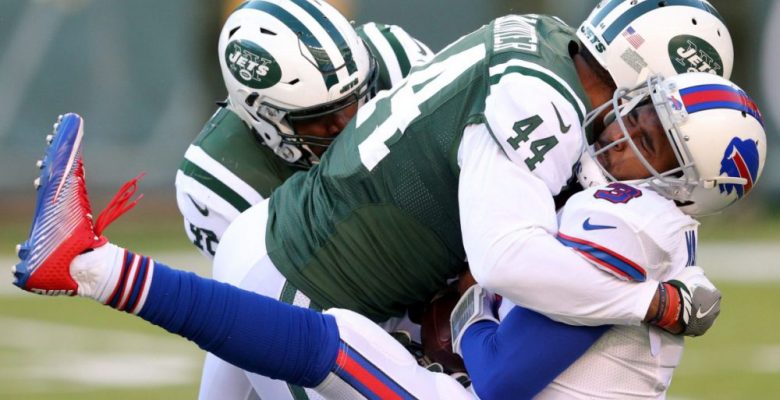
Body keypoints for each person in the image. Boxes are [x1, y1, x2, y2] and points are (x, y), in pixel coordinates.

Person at [16, 0, 738, 396]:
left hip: (284, 244)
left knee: (332, 348)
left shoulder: (537, 39)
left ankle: (94, 265)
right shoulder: (556, 114)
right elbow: (506, 266)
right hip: (314, 279)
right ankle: (90, 265)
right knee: (362, 358)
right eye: (650, 114)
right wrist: (655, 301)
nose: (632, 134)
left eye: (660, 136)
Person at [451, 71, 767, 398]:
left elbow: (500, 378)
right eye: (633, 116)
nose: (618, 135)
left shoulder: (633, 219)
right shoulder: (661, 223)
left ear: (683, 187)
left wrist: (467, 312)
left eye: (645, 143)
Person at [176, 0, 432, 260]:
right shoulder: (218, 182)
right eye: (320, 116)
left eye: (352, 101)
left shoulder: (398, 61)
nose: (345, 124)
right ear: (264, 117)